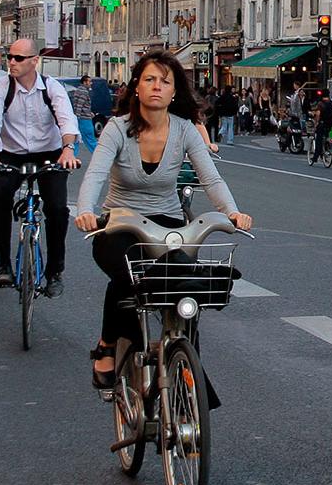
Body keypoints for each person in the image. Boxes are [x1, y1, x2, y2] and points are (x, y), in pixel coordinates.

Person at [74, 50, 253, 389]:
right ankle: (108, 344)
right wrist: (86, 210)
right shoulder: (117, 128)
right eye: (149, 79)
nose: (157, 87)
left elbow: (211, 179)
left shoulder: (184, 129)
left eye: (165, 81)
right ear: (137, 88)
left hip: (168, 222)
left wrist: (232, 212)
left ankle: (186, 370)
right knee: (128, 277)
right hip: (121, 222)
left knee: (187, 285)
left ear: (174, 92)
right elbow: (96, 173)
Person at [0, 38, 81, 296]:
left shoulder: (52, 87)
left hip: (50, 153)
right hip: (11, 153)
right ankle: (4, 262)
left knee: (58, 208)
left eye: (18, 58)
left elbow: (67, 120)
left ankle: (55, 271)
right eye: (9, 57)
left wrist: (68, 149)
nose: (11, 62)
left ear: (35, 61)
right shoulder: (1, 87)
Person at [71, 75, 98, 154]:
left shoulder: (78, 90)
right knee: (91, 139)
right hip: (84, 120)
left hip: (80, 118)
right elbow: (80, 106)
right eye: (89, 81)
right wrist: (78, 117)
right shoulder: (84, 92)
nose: (91, 83)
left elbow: (78, 105)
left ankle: (72, 157)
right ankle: (99, 155)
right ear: (84, 82)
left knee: (75, 140)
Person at [310, 91, 332, 164]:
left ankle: (316, 156)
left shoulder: (321, 103)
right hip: (330, 124)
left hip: (322, 123)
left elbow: (318, 114)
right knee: (326, 135)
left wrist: (316, 123)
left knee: (319, 139)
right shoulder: (331, 103)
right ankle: (327, 149)